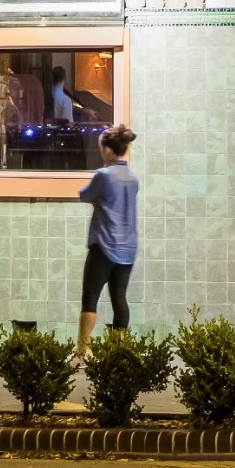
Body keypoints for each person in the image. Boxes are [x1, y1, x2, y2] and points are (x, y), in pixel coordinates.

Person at [74, 123, 138, 355]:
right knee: (119, 298)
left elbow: (85, 195)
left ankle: (82, 350)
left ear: (109, 150)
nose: (100, 151)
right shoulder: (132, 177)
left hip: (103, 245)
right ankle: (120, 349)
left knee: (90, 298)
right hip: (128, 247)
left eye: (101, 148)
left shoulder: (104, 175)